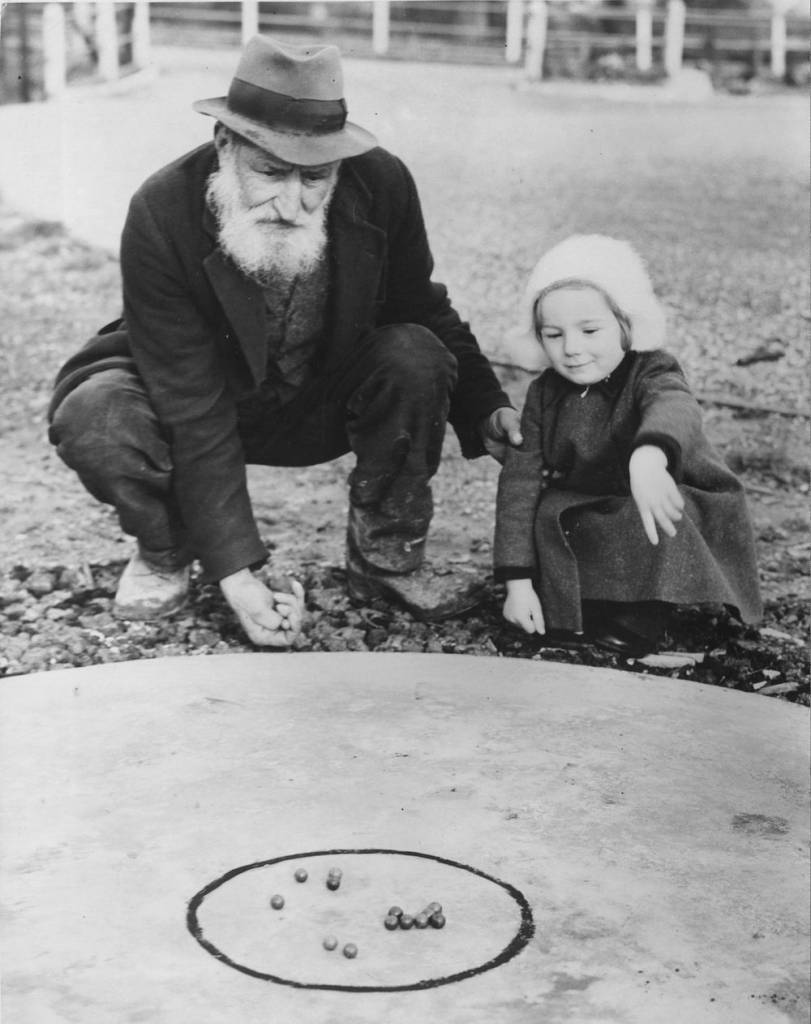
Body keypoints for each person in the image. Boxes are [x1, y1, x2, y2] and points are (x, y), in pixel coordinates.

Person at [47, 35, 521, 647]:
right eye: (270, 172)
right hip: (197, 399)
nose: (292, 203)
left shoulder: (383, 184)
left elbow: (422, 308)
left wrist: (487, 407)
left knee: (415, 355)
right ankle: (166, 547)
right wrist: (238, 573)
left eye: (315, 179)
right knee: (96, 416)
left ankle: (385, 560)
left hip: (319, 396)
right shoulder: (161, 210)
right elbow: (189, 403)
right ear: (226, 145)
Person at [493, 234, 762, 655]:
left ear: (627, 325)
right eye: (553, 334)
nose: (572, 348)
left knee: (646, 512)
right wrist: (516, 583)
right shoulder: (544, 393)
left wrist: (649, 458)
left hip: (661, 495)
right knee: (548, 512)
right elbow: (518, 484)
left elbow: (675, 407)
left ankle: (642, 610)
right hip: (591, 503)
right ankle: (575, 605)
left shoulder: (651, 371)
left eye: (590, 330)